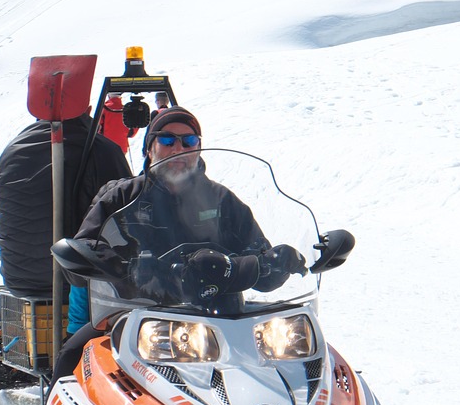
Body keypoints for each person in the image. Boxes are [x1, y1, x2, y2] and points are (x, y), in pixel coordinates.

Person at [51, 106, 303, 383]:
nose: (178, 148)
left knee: (291, 362)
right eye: (167, 140)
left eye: (189, 140)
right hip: (135, 317)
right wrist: (132, 268)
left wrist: (275, 262)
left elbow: (256, 251)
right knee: (72, 358)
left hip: (221, 318)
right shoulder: (122, 196)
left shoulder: (221, 200)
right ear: (150, 149)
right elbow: (85, 247)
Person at [0, 111, 132, 297]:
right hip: (75, 281)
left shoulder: (11, 150)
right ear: (87, 109)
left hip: (18, 280)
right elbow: (127, 214)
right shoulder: (99, 149)